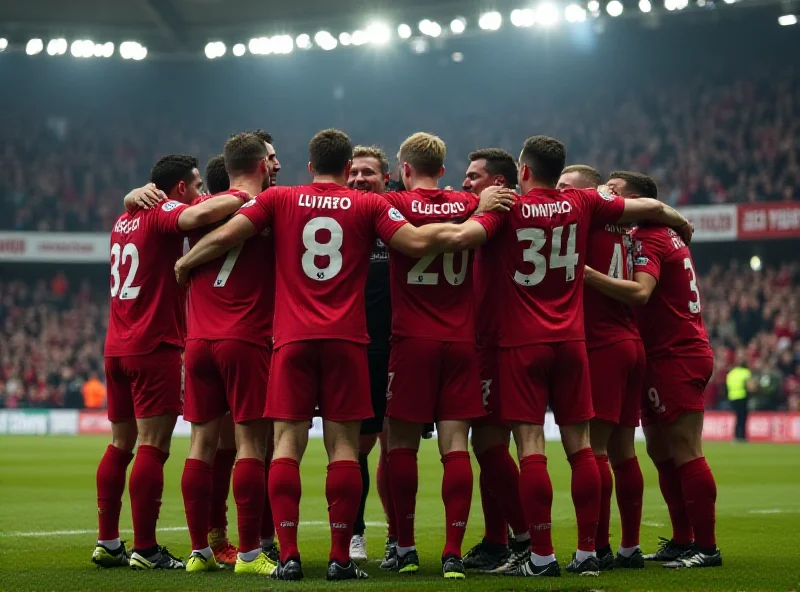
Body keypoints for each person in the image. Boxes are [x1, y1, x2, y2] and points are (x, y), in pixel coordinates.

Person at [173, 129, 514, 582]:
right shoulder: (371, 205)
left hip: (292, 341)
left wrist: (186, 261)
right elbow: (415, 244)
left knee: (287, 448)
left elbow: (227, 234)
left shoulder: (282, 200)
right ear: (344, 166)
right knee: (346, 450)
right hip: (348, 341)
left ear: (310, 165)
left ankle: (289, 557)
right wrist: (481, 218)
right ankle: (340, 558)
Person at [416, 136, 693, 578]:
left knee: (529, 449)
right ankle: (588, 553)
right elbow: (650, 209)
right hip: (572, 342)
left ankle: (540, 556)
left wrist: (473, 207)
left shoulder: (507, 210)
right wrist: (677, 219)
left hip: (521, 344)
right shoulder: (582, 204)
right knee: (583, 449)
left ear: (523, 172)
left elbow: (458, 236)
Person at [94, 155, 250, 571]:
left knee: (119, 444)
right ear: (180, 187)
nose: (200, 192)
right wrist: (243, 191)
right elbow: (194, 216)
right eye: (197, 184)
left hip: (116, 345)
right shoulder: (163, 210)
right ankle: (145, 548)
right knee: (153, 446)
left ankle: (107, 541)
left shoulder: (122, 219)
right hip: (153, 344)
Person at [584, 170, 721, 569]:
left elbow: (642, 292)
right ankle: (683, 538)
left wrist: (589, 276)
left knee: (685, 449)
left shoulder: (649, 237)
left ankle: (707, 548)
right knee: (661, 451)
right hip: (661, 353)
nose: (609, 193)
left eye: (616, 190)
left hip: (676, 353)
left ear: (640, 199)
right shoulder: (659, 234)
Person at [380, 132, 488, 580]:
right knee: (455, 448)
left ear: (404, 169)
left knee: (400, 445)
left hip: (410, 340)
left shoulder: (392, 205)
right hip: (462, 341)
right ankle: (452, 553)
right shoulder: (469, 204)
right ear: (443, 169)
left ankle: (404, 547)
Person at [558, 165, 646, 570]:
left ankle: (595, 548)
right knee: (623, 451)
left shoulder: (586, 221)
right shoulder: (625, 231)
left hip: (603, 345)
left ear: (591, 195)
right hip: (629, 343)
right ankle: (629, 548)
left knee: (593, 451)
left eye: (566, 188)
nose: (559, 194)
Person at [461, 149, 531, 573]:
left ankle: (525, 539)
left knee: (489, 445)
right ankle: (496, 540)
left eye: (474, 176)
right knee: (489, 446)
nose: (466, 183)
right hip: (488, 340)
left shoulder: (502, 211)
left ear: (500, 183)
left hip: (499, 342)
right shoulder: (493, 210)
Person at [345, 145, 393, 565]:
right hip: (353, 347)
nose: (359, 179)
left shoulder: (399, 215)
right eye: (354, 173)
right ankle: (355, 533)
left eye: (368, 173)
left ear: (387, 179)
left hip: (397, 347)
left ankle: (400, 536)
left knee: (396, 446)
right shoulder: (335, 216)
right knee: (357, 447)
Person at [726, 355, 752, 443]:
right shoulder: (746, 372)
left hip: (732, 397)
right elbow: (750, 386)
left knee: (737, 418)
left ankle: (736, 437)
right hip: (742, 396)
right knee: (742, 418)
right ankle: (742, 437)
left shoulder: (731, 373)